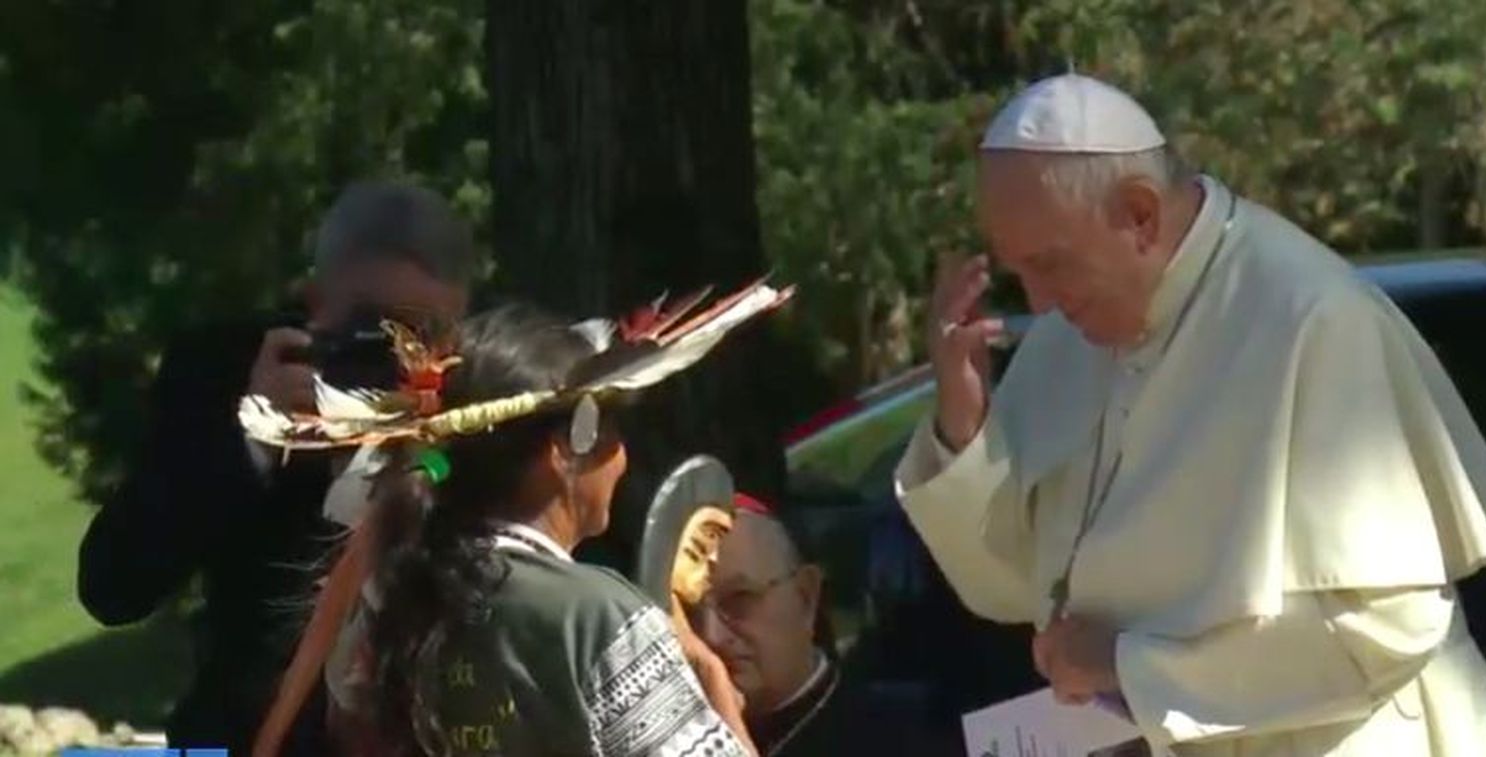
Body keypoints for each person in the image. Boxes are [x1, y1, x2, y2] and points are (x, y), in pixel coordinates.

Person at [895, 74, 1486, 755]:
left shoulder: (1310, 316)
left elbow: (1386, 632)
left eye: (1051, 263)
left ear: (1139, 214)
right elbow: (1011, 591)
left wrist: (1127, 665)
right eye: (1020, 271)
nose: (1039, 301)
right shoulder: (1067, 339)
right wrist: (964, 429)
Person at [76, 180, 475, 751]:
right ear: (312, 305)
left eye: (422, 334)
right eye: (374, 326)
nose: (395, 356)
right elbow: (112, 584)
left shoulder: (480, 392)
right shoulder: (225, 372)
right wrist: (252, 443)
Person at [314, 305, 755, 756]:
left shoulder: (390, 605)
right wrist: (711, 680)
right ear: (568, 445)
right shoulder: (593, 616)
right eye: (614, 430)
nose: (623, 458)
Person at [698, 493, 957, 756]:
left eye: (739, 598)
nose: (712, 636)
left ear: (805, 595)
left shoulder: (924, 729)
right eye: (691, 612)